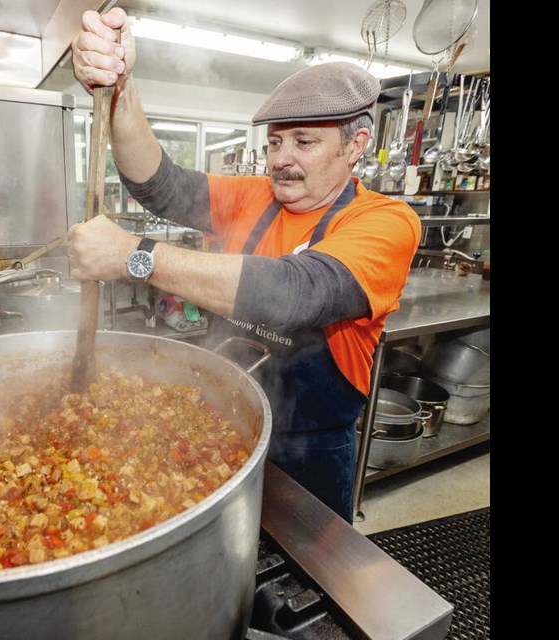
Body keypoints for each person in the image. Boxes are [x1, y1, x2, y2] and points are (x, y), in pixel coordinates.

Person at [67, 8, 422, 523]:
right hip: (223, 417)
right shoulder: (255, 195)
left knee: (304, 588)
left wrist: (132, 255)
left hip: (310, 449)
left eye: (304, 142)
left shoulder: (388, 220)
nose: (281, 158)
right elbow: (158, 184)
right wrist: (122, 86)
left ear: (355, 147)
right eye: (275, 142)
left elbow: (295, 293)